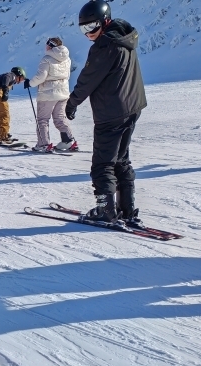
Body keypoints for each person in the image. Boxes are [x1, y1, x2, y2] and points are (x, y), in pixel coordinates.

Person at [65, 0, 146, 224]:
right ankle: (126, 210)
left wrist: (72, 102)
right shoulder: (124, 39)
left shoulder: (105, 45)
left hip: (111, 112)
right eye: (84, 29)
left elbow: (87, 79)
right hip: (131, 108)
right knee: (120, 160)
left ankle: (105, 211)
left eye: (92, 27)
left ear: (105, 21)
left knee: (102, 164)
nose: (88, 34)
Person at [26, 38, 78, 152]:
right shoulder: (67, 59)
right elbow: (68, 76)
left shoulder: (47, 59)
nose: (46, 47)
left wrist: (29, 83)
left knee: (42, 119)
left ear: (50, 46)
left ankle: (43, 144)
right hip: (63, 93)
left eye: (47, 45)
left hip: (47, 95)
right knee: (60, 118)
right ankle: (69, 140)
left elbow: (41, 77)